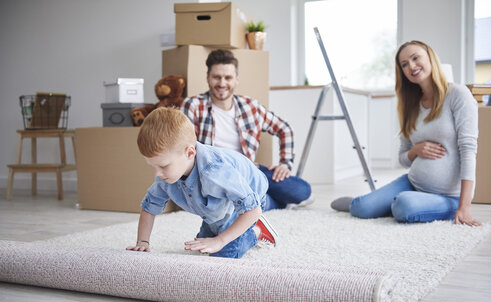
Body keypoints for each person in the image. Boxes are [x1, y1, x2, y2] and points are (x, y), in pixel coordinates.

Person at [331, 40, 481, 226]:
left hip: (449, 195)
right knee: (361, 208)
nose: (411, 66)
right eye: (404, 64)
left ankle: (416, 205)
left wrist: (464, 206)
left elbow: (468, 150)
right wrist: (415, 150)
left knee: (404, 206)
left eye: (415, 58)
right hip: (413, 183)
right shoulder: (409, 105)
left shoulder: (458, 94)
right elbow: (403, 160)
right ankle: (370, 203)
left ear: (430, 57)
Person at [126, 107, 279, 258]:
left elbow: (253, 210)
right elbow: (149, 207)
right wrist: (143, 242)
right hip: (216, 207)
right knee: (203, 245)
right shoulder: (165, 177)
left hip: (249, 202)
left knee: (225, 253)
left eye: (163, 166)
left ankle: (257, 231)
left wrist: (220, 240)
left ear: (190, 153)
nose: (157, 173)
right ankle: (221, 229)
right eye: (153, 166)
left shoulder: (215, 172)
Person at [181, 49, 313, 210]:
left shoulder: (251, 107)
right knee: (225, 205)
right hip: (213, 177)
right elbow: (183, 145)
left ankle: (257, 201)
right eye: (216, 77)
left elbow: (284, 129)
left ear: (236, 79)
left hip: (249, 171)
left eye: (228, 77)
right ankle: (265, 202)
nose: (222, 83)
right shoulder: (193, 105)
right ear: (208, 77)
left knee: (302, 190)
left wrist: (285, 164)